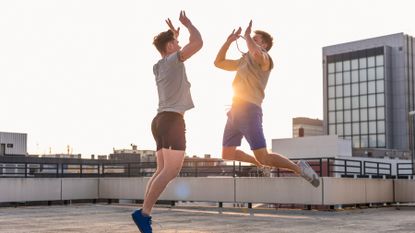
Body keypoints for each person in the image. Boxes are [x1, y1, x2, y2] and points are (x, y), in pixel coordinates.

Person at [214, 20, 319, 188]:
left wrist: (247, 35)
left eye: (256, 39)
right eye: (251, 38)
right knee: (227, 153)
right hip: (234, 110)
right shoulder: (243, 60)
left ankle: (297, 168)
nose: (250, 41)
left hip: (249, 110)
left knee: (263, 156)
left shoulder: (265, 59)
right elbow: (218, 62)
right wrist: (228, 41)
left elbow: (256, 54)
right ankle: (259, 163)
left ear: (264, 44)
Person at [131, 11, 203, 233]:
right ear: (170, 47)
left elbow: (170, 50)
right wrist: (189, 24)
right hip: (172, 120)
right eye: (176, 42)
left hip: (160, 120)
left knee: (162, 169)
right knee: (170, 171)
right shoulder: (174, 60)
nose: (180, 45)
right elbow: (198, 42)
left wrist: (171, 35)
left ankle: (144, 213)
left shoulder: (158, 65)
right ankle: (143, 214)